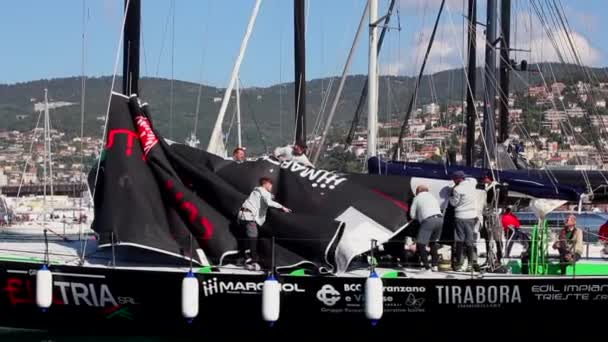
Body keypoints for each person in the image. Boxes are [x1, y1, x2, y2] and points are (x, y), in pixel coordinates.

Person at [238, 177, 291, 270]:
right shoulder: (264, 191)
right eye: (270, 184)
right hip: (249, 216)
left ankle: (244, 258)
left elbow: (265, 198)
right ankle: (253, 261)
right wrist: (282, 207)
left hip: (242, 216)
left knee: (246, 238)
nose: (271, 186)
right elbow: (269, 202)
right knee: (253, 237)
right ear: (265, 184)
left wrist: (270, 196)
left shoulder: (256, 191)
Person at [449, 170, 479, 272]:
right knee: (469, 241)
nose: (453, 180)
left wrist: (450, 197)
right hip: (472, 216)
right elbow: (473, 178)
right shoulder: (472, 184)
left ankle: (459, 264)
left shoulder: (457, 189)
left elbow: (454, 203)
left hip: (461, 216)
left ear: (457, 179)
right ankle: (470, 263)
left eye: (454, 179)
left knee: (459, 240)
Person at [409, 185, 443, 272]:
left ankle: (426, 266)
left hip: (428, 221)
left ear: (418, 191)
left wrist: (418, 217)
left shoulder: (417, 198)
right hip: (440, 220)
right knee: (433, 243)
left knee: (420, 244)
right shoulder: (433, 197)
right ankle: (435, 265)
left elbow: (412, 215)